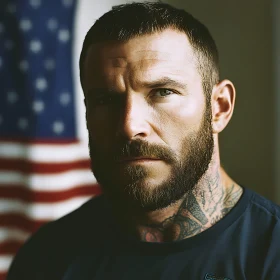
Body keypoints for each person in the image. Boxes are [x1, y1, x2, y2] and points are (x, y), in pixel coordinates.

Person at [7, 2, 280, 280]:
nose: (129, 126)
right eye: (105, 100)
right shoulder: (47, 257)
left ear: (219, 108)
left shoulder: (271, 254)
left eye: (162, 92)